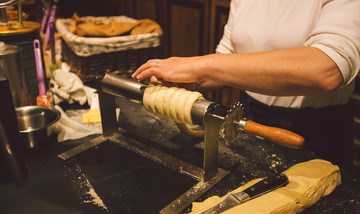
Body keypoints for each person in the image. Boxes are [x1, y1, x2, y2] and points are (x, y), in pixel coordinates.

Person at [132, 0, 360, 169]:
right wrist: (189, 81)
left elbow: (327, 69)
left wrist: (198, 66)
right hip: (247, 122)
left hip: (314, 135)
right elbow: (226, 61)